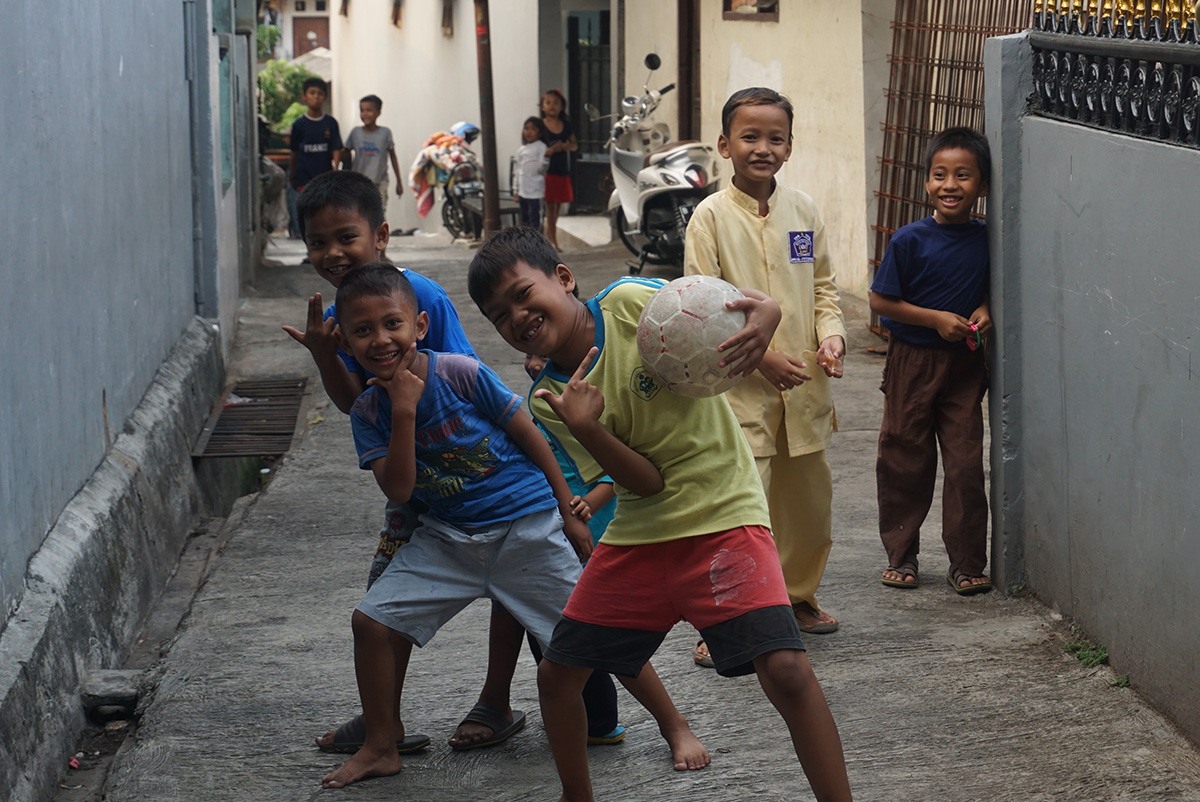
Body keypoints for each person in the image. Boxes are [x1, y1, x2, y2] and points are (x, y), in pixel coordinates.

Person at [467, 226, 854, 802]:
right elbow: (644, 484)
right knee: (556, 676)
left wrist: (768, 316)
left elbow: (723, 309)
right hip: (640, 535)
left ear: (565, 279)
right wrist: (588, 430)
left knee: (787, 670)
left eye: (524, 294)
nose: (518, 315)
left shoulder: (629, 304)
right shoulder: (548, 402)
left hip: (724, 516)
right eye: (500, 315)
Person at [322, 266, 706, 788]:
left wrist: (565, 506)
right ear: (344, 340)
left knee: (596, 636)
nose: (381, 340)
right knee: (370, 622)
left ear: (419, 325)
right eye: (363, 331)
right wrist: (403, 412)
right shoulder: (369, 411)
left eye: (392, 323)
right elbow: (400, 489)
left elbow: (530, 434)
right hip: (450, 539)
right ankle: (381, 744)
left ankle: (674, 725)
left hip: (525, 526)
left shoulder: (459, 372)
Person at [282, 170, 530, 756]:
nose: (332, 252)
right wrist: (326, 354)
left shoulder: (417, 297)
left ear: (381, 235)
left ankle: (494, 700)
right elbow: (356, 404)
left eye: (346, 236)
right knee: (383, 598)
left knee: (513, 584)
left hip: (476, 475)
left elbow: (473, 387)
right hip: (411, 483)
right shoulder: (341, 314)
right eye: (318, 242)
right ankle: (382, 722)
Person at [684, 87, 847, 665]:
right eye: (750, 137)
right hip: (740, 392)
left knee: (808, 504)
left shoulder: (803, 212)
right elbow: (700, 306)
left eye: (774, 138)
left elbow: (823, 287)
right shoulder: (708, 218)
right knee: (738, 510)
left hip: (804, 387)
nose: (763, 148)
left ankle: (798, 597)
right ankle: (724, 621)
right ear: (725, 145)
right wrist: (761, 358)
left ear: (790, 147)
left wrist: (832, 336)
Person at [868, 126, 993, 596]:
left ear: (982, 186)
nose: (950, 185)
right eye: (939, 174)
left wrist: (986, 310)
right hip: (911, 363)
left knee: (964, 464)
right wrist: (935, 319)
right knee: (904, 458)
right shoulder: (909, 240)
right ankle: (902, 555)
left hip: (963, 366)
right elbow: (881, 301)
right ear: (926, 182)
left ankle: (966, 563)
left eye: (963, 175)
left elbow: (993, 290)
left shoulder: (988, 239)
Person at [287, 77, 343, 239]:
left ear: (324, 97)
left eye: (319, 93)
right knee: (308, 215)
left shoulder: (330, 123)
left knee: (325, 213)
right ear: (304, 96)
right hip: (304, 176)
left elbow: (336, 148)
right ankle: (310, 249)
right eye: (312, 93)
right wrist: (292, 173)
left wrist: (336, 169)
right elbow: (294, 151)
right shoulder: (299, 125)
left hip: (324, 177)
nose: (316, 97)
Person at [344, 94, 403, 214]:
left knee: (379, 212)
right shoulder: (355, 133)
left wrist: (399, 182)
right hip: (359, 182)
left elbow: (393, 157)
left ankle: (379, 233)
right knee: (360, 212)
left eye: (369, 110)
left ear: (378, 112)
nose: (365, 114)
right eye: (362, 110)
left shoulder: (385, 133)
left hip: (380, 181)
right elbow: (345, 154)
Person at [539, 89, 576, 251]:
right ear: (542, 106)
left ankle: (551, 239)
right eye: (548, 103)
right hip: (547, 170)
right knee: (550, 206)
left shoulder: (566, 125)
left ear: (562, 106)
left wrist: (563, 146)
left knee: (557, 205)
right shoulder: (539, 126)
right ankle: (551, 240)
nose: (552, 106)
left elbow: (574, 145)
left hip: (561, 168)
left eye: (555, 103)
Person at [514, 117, 549, 231]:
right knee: (524, 219)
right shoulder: (521, 149)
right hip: (523, 191)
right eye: (526, 129)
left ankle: (537, 244)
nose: (528, 132)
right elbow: (518, 170)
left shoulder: (541, 147)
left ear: (539, 132)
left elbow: (541, 169)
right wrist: (516, 190)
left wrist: (546, 159)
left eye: (533, 129)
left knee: (535, 219)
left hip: (535, 192)